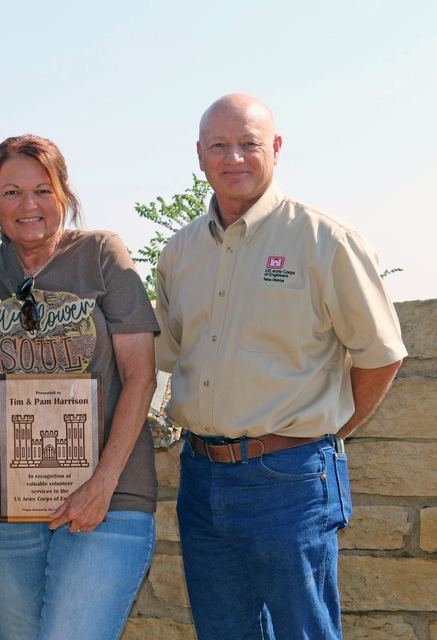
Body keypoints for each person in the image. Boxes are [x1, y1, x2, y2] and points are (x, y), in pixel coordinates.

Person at [154, 93, 406, 640]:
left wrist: (323, 437)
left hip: (290, 483)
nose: (234, 158)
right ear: (199, 155)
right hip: (200, 478)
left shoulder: (325, 241)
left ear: (277, 149)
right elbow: (166, 356)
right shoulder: (178, 253)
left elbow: (382, 355)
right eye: (219, 145)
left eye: (250, 143)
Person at [0, 135, 159, 640]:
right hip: (4, 504)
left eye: (42, 189)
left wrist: (101, 485)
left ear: (64, 195)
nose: (28, 205)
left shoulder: (101, 254)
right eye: (11, 192)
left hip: (107, 501)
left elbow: (141, 376)